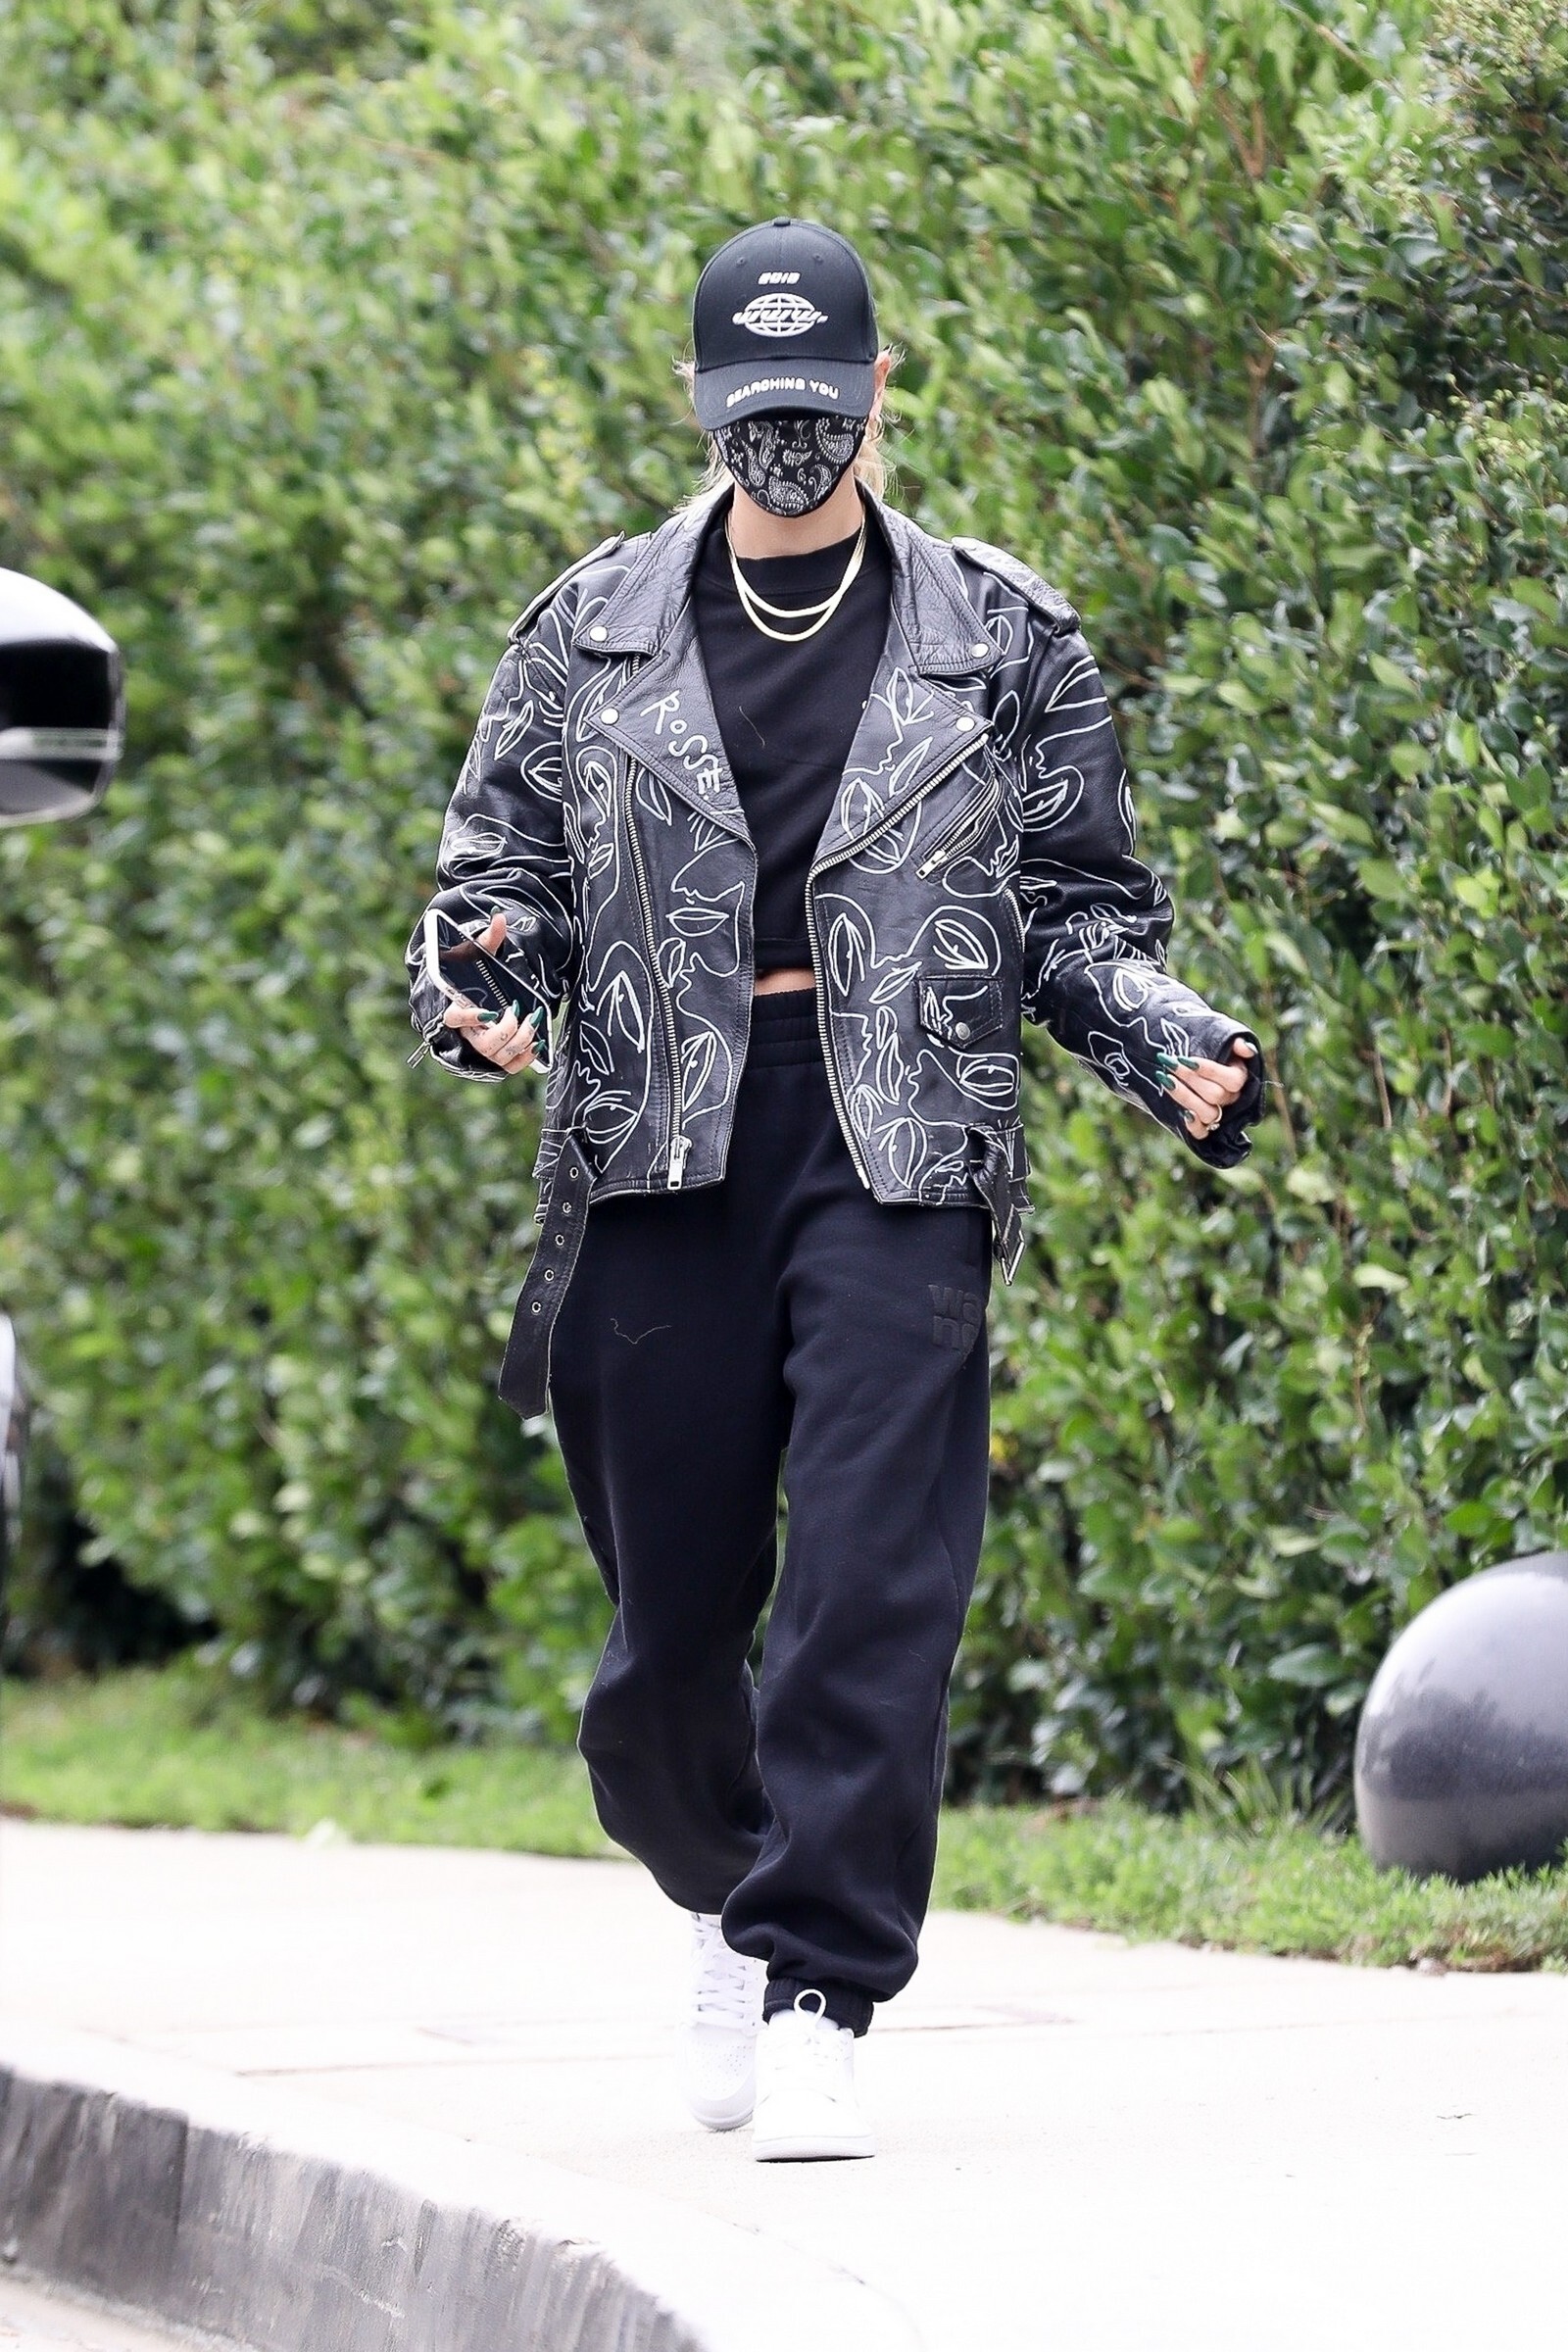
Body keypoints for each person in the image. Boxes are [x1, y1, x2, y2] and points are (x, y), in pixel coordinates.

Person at [406, 218, 1263, 2163]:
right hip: (658, 1145)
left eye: (817, 401)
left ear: (879, 389)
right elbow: (494, 878)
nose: (786, 437)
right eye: (750, 406)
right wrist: (478, 985)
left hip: (899, 1137)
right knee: (658, 1667)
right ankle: (728, 1888)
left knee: (874, 1580)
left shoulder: (1002, 635)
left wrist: (1160, 1036)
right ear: (698, 402)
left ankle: (816, 1991)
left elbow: (1081, 911)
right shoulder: (587, 630)